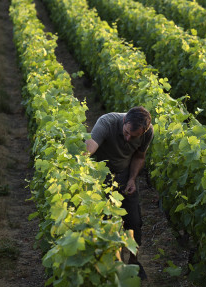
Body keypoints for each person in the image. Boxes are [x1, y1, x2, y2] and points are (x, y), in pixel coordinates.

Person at [85, 106, 153, 280]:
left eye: (134, 136)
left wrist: (132, 179)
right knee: (104, 223)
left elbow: (139, 156)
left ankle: (133, 262)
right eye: (127, 133)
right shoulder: (107, 122)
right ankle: (108, 265)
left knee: (134, 222)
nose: (129, 138)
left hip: (124, 177)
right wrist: (82, 156)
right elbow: (91, 146)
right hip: (101, 177)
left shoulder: (147, 133)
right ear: (124, 121)